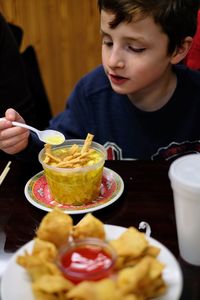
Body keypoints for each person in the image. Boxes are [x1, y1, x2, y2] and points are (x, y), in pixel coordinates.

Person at [0, 0, 200, 162]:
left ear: (179, 49)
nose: (113, 61)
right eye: (108, 42)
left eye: (135, 48)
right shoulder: (91, 94)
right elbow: (52, 148)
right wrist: (23, 142)